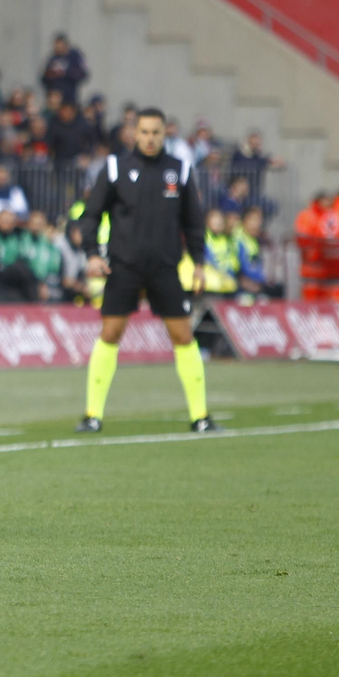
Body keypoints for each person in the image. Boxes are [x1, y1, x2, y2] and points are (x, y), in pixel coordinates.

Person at [74, 108, 217, 434]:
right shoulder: (114, 168)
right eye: (144, 132)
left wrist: (198, 263)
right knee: (111, 332)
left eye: (156, 132)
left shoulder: (178, 170)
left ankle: (201, 417)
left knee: (183, 336)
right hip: (124, 266)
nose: (150, 138)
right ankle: (92, 415)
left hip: (166, 267)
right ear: (134, 134)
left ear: (164, 133)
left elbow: (194, 223)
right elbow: (90, 215)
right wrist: (92, 254)